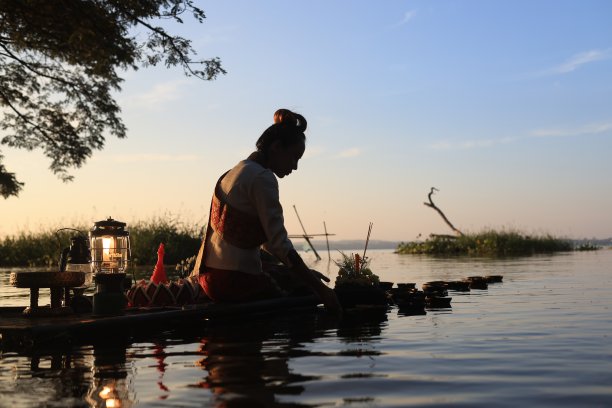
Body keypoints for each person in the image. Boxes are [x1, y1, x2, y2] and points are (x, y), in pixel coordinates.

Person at [192, 108, 341, 315]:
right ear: (277, 147)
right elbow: (280, 244)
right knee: (305, 291)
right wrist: (322, 291)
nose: (295, 167)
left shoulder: (234, 171)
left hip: (208, 279)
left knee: (294, 277)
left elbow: (269, 243)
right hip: (231, 283)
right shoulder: (262, 178)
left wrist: (301, 273)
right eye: (294, 157)